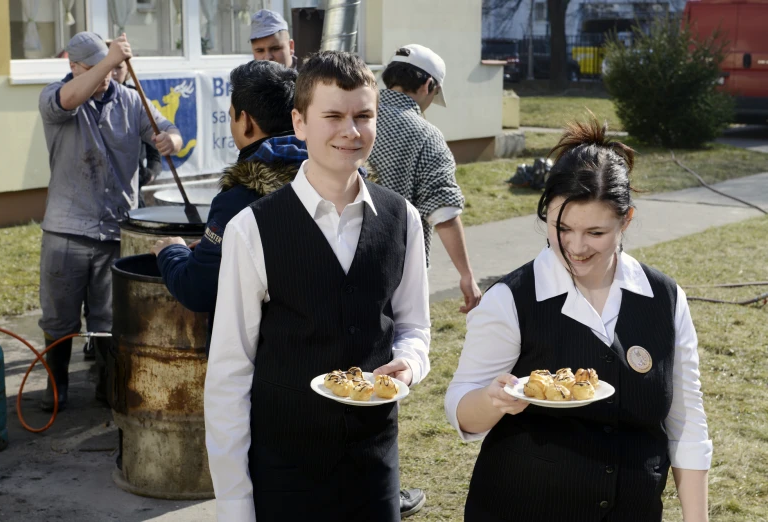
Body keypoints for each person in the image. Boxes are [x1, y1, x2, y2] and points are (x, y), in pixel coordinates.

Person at [445, 118, 711, 521]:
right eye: (561, 228)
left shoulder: (665, 298)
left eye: (596, 233)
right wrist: (492, 400)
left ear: (627, 221)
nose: (576, 247)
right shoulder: (510, 299)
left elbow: (687, 423)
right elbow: (461, 409)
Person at [204, 51, 431, 521]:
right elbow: (230, 372)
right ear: (300, 122)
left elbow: (415, 326)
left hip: (373, 468)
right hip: (286, 474)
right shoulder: (252, 227)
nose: (350, 131)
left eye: (363, 116)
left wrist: (408, 364)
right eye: (333, 116)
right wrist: (234, 503)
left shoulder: (402, 218)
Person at [37, 31, 181, 411]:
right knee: (58, 317)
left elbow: (167, 129)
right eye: (96, 67)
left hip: (114, 228)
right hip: (66, 230)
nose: (107, 75)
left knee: (107, 318)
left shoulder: (131, 101)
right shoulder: (56, 96)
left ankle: (106, 385)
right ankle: (57, 388)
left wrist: (171, 141)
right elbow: (69, 99)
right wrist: (108, 61)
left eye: (113, 67)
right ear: (73, 67)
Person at [150, 60, 303, 352]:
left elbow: (198, 289)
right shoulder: (328, 181)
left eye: (232, 117)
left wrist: (171, 250)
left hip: (265, 360)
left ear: (245, 121)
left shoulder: (242, 198)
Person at [368, 44, 481, 315]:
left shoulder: (357, 118)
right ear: (428, 84)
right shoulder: (426, 136)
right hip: (396, 269)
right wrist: (466, 274)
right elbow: (443, 210)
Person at [110, 57, 163, 208]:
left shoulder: (136, 99)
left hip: (133, 189)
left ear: (127, 69)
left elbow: (155, 151)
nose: (113, 73)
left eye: (119, 68)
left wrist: (151, 172)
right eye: (109, 67)